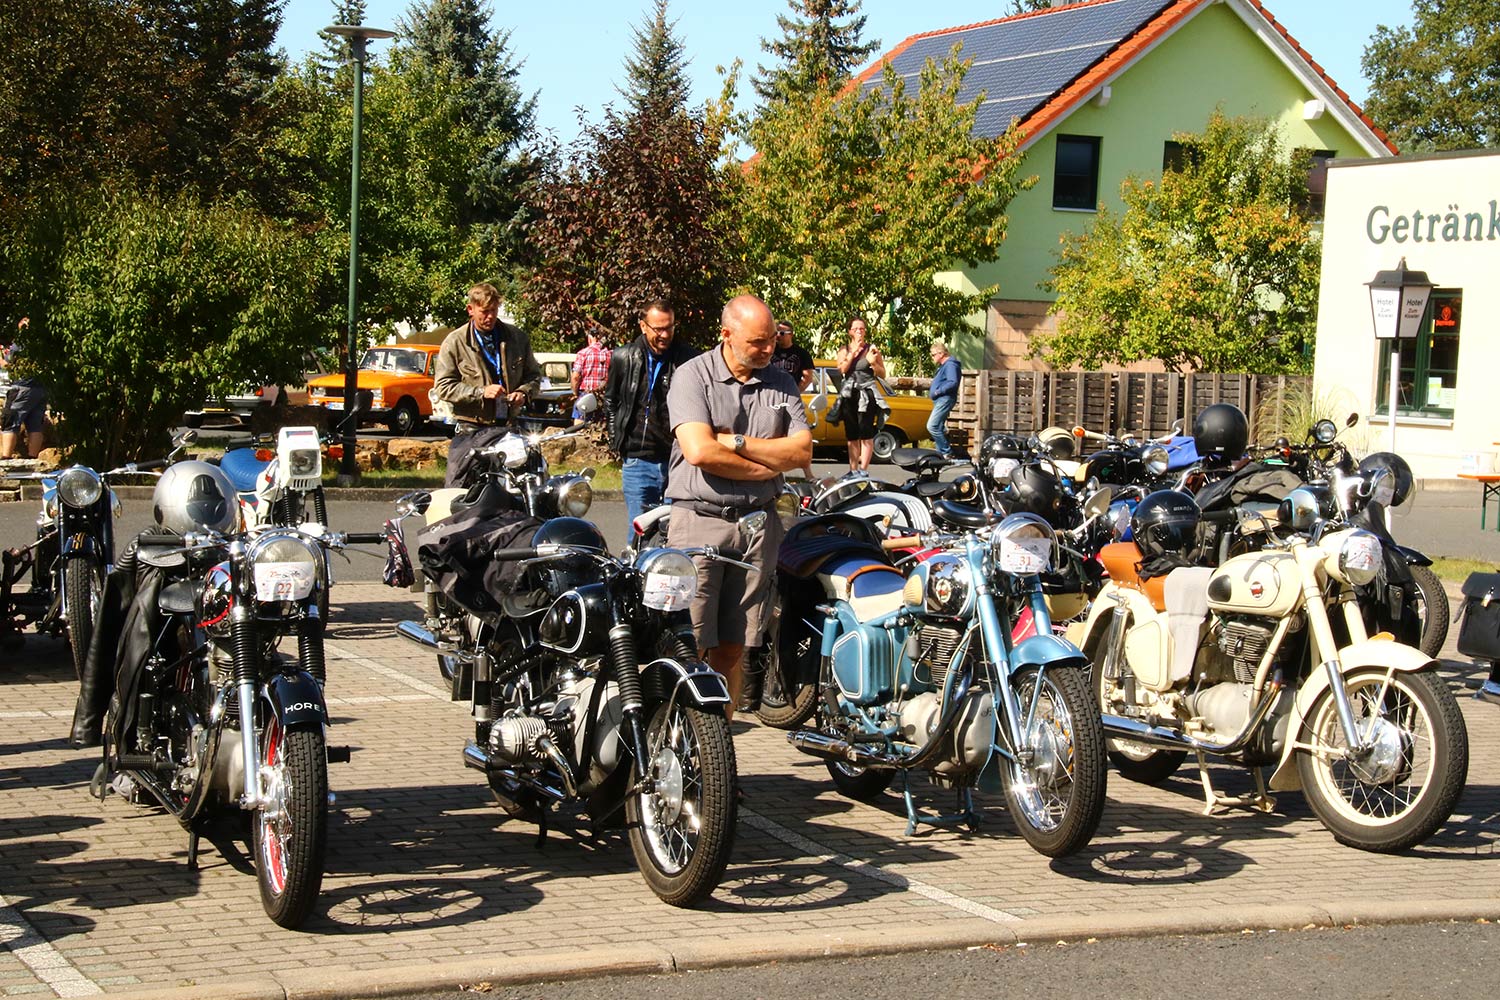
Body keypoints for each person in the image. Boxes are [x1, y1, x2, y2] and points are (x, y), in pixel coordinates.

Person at [666, 294, 812, 718]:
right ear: (726, 335)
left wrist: (739, 442)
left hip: (757, 529)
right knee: (690, 644)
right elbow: (699, 452)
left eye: (772, 340)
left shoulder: (781, 383)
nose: (768, 349)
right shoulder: (692, 376)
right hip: (699, 522)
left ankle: (719, 763)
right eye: (757, 342)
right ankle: (678, 747)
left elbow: (802, 451)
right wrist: (767, 467)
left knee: (733, 648)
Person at [604, 299, 697, 541]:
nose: (665, 335)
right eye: (659, 329)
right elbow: (611, 401)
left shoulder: (688, 359)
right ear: (643, 326)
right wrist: (618, 442)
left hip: (676, 460)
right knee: (639, 531)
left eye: (670, 327)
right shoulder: (623, 357)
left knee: (674, 530)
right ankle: (633, 574)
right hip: (637, 460)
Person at [433, 283, 542, 437]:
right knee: (457, 462)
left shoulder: (518, 338)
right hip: (471, 428)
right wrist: (481, 392)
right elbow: (443, 387)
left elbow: (535, 376)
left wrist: (523, 393)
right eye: (484, 311)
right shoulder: (454, 342)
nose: (490, 316)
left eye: (494, 310)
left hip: (510, 424)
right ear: (470, 310)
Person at [834, 317, 886, 472]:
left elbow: (882, 374)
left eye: (862, 329)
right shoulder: (844, 350)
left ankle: (863, 470)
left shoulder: (872, 350)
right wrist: (853, 353)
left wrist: (873, 363)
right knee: (852, 434)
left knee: (866, 433)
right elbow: (841, 370)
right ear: (850, 331)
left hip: (867, 393)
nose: (859, 332)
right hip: (850, 393)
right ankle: (853, 469)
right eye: (856, 329)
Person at [769, 319, 815, 478]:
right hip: (771, 398)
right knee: (772, 433)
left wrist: (795, 392)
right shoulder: (770, 351)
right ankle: (774, 472)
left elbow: (808, 376)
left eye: (781, 333)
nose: (778, 336)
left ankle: (808, 474)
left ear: (791, 334)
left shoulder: (801, 353)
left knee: (801, 433)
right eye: (776, 333)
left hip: (791, 398)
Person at [1, 317, 46, 460]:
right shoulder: (42, 344)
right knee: (35, 425)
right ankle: (32, 458)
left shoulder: (20, 344)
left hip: (21, 389)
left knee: (10, 421)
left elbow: (8, 365)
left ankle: (6, 459)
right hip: (40, 389)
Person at [926, 339, 961, 458]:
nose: (932, 357)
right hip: (941, 399)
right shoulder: (945, 366)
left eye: (933, 355)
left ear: (941, 354)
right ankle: (940, 453)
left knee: (932, 426)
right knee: (939, 426)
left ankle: (946, 452)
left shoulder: (950, 365)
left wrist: (938, 391)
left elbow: (953, 382)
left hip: (944, 399)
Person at [570, 327, 611, 420]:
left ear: (590, 338)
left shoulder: (583, 353)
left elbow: (575, 377)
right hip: (604, 396)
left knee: (580, 425)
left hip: (586, 395)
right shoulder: (610, 354)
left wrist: (575, 393)